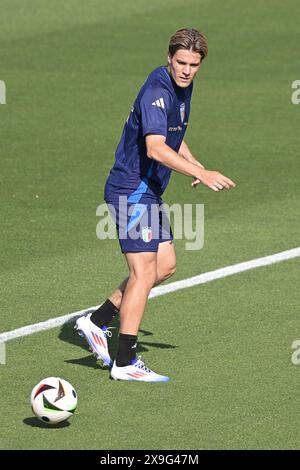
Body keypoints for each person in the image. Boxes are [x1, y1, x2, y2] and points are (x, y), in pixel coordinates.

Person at [75, 28, 236, 382]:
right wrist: (203, 173)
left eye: (194, 65)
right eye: (181, 63)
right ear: (169, 58)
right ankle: (125, 361)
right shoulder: (156, 91)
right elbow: (156, 147)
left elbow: (174, 133)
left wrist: (194, 165)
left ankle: (97, 321)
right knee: (143, 272)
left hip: (147, 191)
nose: (187, 70)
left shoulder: (180, 86)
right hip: (131, 191)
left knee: (164, 266)